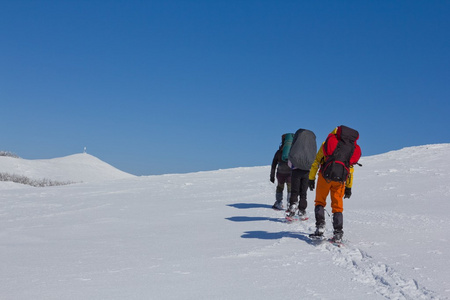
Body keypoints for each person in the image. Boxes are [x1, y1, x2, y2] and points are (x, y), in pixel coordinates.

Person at [308, 126, 361, 242]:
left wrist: (311, 178)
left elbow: (316, 161)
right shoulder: (351, 147)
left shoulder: (328, 142)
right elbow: (350, 169)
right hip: (340, 180)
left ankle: (320, 227)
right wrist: (349, 187)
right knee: (337, 206)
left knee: (320, 201)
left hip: (324, 177)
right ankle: (338, 233)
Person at [285, 129, 317, 220]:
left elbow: (290, 160)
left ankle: (292, 208)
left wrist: (293, 167)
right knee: (303, 193)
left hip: (296, 171)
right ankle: (302, 211)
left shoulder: (296, 146)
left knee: (295, 191)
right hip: (307, 172)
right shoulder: (310, 148)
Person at [270, 134, 292, 210]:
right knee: (290, 189)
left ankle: (278, 203)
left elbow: (273, 164)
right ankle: (290, 204)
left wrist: (272, 176)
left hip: (280, 173)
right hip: (290, 174)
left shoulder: (279, 152)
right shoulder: (292, 151)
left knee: (279, 188)